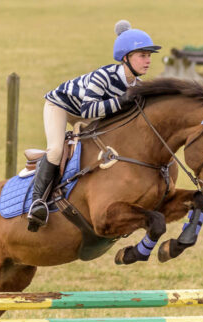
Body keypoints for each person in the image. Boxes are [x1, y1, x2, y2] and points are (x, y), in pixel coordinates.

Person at [28, 20, 161, 231]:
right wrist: (122, 100)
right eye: (143, 55)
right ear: (125, 58)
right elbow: (88, 110)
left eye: (149, 56)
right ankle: (37, 203)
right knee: (55, 150)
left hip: (89, 112)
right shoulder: (103, 76)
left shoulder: (138, 85)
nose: (148, 61)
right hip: (61, 106)